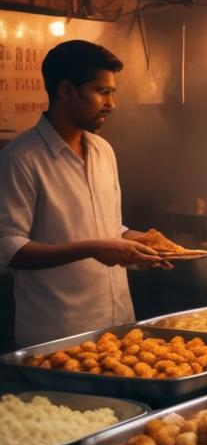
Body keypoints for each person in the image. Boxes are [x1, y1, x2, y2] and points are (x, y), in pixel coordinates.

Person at [0, 40, 168, 347]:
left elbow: (108, 228)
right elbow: (9, 248)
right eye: (102, 91)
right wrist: (92, 248)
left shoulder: (103, 150)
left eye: (112, 93)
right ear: (66, 90)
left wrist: (139, 243)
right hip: (57, 335)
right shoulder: (20, 159)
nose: (111, 103)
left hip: (118, 329)